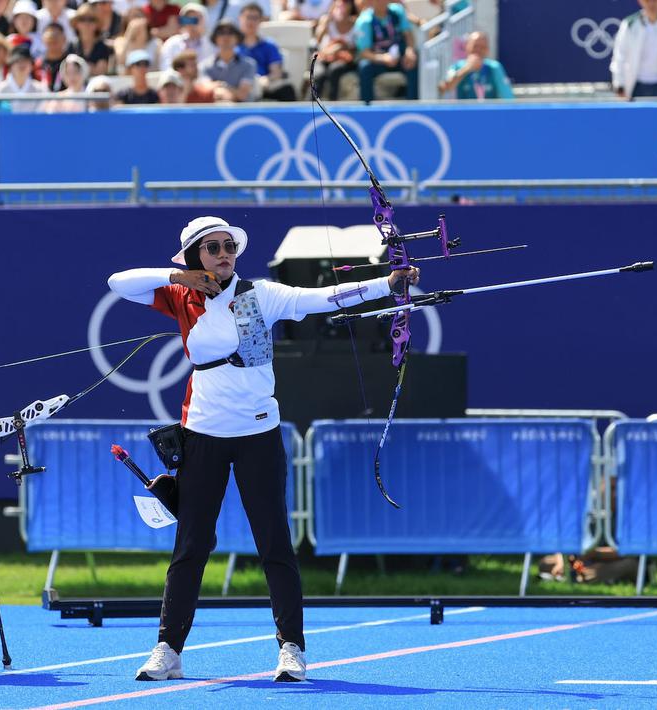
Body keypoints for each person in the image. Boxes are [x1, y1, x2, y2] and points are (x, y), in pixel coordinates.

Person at [107, 217, 419, 683]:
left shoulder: (263, 294)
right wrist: (178, 277)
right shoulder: (181, 296)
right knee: (192, 544)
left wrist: (387, 283)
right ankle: (168, 649)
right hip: (203, 434)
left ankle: (291, 647)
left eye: (228, 245)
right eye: (211, 247)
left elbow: (324, 298)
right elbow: (118, 283)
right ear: (195, 256)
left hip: (259, 433)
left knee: (274, 541)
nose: (223, 252)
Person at [610, 0, 657, 99]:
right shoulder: (629, 24)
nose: (651, 4)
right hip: (636, 86)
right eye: (647, 0)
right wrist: (619, 85)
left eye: (655, 0)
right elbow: (620, 56)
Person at [354, 0, 417, 102]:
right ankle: (367, 106)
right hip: (377, 60)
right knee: (364, 67)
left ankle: (412, 104)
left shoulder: (397, 11)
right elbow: (364, 52)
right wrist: (383, 58)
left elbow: (408, 35)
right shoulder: (364, 21)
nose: (382, 2)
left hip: (400, 58)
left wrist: (409, 50)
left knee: (412, 63)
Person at [237, 3, 294, 101]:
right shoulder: (232, 46)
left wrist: (265, 80)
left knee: (287, 90)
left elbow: (276, 72)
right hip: (238, 88)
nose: (251, 22)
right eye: (248, 17)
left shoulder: (269, 45)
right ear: (240, 19)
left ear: (260, 21)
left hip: (264, 87)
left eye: (255, 18)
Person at [437, 31, 512, 100]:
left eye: (482, 47)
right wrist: (466, 69)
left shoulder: (494, 67)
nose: (478, 50)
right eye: (475, 46)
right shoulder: (458, 66)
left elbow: (507, 97)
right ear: (467, 47)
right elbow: (445, 87)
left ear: (487, 49)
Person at [311, 0, 357, 100]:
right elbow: (317, 41)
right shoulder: (328, 21)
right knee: (319, 74)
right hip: (326, 57)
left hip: (345, 60)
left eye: (346, 2)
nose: (342, 5)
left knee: (334, 70)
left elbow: (355, 48)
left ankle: (333, 105)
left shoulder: (356, 23)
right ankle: (311, 106)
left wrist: (340, 47)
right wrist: (324, 24)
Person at [200, 20, 255, 102]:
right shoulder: (205, 65)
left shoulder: (249, 64)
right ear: (215, 38)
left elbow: (242, 94)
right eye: (221, 33)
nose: (226, 37)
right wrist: (225, 91)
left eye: (231, 33)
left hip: (242, 112)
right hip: (214, 109)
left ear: (238, 38)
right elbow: (205, 89)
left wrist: (222, 86)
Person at [159, 3, 214, 73]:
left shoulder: (212, 44)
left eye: (195, 20)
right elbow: (166, 68)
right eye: (187, 19)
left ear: (205, 20)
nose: (190, 24)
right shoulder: (172, 43)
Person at [0, 43, 46, 112]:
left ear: (31, 66)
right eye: (17, 61)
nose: (22, 64)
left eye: (25, 61)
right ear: (10, 66)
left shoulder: (41, 90)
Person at [67, 4, 113, 76]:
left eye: (91, 19)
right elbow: (68, 71)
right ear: (77, 24)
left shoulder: (102, 47)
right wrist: (90, 67)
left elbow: (100, 72)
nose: (87, 23)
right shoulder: (72, 46)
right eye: (82, 19)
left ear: (97, 25)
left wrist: (80, 67)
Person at [37, 23, 69, 91]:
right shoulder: (37, 65)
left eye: (56, 34)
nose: (52, 37)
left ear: (64, 38)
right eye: (49, 34)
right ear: (43, 39)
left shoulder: (71, 63)